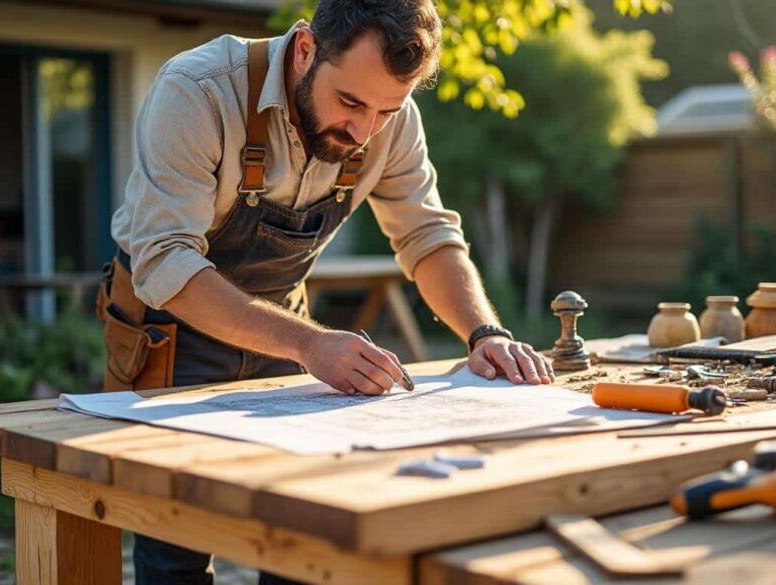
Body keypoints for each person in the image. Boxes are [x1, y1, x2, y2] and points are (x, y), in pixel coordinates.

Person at [99, 0, 555, 582]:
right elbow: (163, 261)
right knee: (177, 542)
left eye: (387, 109)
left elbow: (426, 233)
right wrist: (310, 346)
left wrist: (483, 331)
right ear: (307, 49)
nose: (365, 130)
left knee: (302, 536)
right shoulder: (198, 90)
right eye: (350, 103)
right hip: (170, 332)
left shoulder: (392, 118)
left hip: (289, 335)